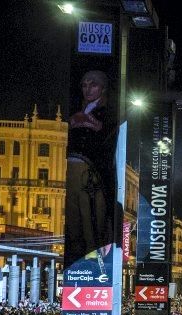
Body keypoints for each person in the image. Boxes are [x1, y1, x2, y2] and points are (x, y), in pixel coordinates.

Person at [65, 69, 117, 265]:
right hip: (72, 171)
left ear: (102, 89)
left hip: (90, 173)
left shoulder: (105, 112)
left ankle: (95, 263)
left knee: (91, 220)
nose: (88, 89)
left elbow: (106, 135)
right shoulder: (79, 109)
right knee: (74, 221)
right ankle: (78, 259)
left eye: (93, 84)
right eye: (85, 85)